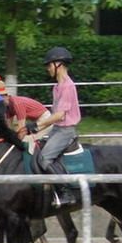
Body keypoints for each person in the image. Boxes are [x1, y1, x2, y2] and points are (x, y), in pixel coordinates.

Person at [29, 46, 81, 208]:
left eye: (49, 65)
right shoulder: (57, 87)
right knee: (37, 152)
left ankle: (66, 192)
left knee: (44, 159)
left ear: (59, 64)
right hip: (57, 129)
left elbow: (60, 115)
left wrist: (37, 125)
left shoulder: (67, 86)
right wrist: (38, 129)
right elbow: (54, 116)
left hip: (65, 131)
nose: (48, 69)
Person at [0, 75, 51, 141]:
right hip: (34, 121)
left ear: (6, 96)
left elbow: (22, 128)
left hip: (44, 119)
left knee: (26, 140)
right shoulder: (8, 106)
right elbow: (9, 126)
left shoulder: (17, 104)